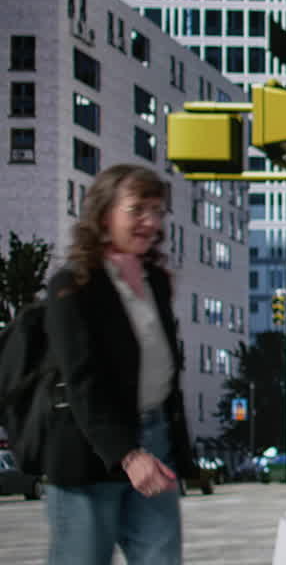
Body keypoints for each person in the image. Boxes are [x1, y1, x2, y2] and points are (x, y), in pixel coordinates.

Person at [43, 164, 197, 564]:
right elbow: (81, 381)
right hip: (90, 451)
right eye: (137, 210)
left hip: (155, 437)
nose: (151, 222)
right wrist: (128, 455)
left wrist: (175, 447)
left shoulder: (155, 280)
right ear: (104, 214)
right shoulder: (73, 285)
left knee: (160, 557)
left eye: (157, 211)